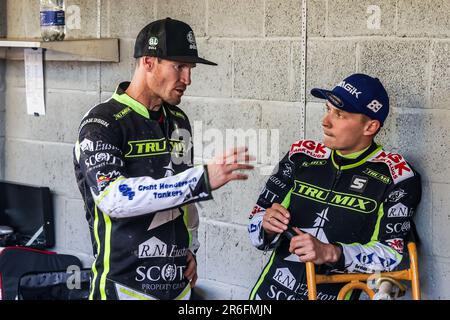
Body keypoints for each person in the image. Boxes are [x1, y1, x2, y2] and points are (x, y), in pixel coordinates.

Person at [73, 17, 253, 300]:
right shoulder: (102, 122)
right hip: (122, 289)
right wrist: (200, 180)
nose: (187, 79)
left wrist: (190, 249)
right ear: (148, 61)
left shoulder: (179, 120)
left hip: (178, 288)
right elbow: (113, 197)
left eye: (190, 69)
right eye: (179, 67)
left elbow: (185, 200)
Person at [248, 73, 422, 300]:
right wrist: (266, 225)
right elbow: (255, 224)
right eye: (327, 109)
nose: (326, 121)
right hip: (269, 294)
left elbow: (392, 254)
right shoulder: (300, 155)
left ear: (370, 126)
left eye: (339, 114)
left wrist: (331, 252)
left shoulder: (397, 175)